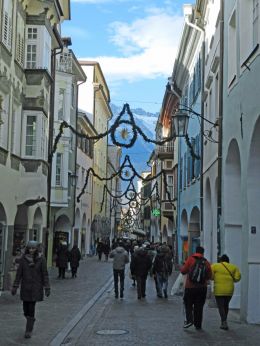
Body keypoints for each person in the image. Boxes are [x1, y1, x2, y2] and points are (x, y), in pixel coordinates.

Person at [11, 240, 50, 339]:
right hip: (26, 287)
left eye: (33, 248)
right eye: (30, 248)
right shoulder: (23, 259)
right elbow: (19, 274)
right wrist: (15, 286)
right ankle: (30, 320)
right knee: (25, 310)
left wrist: (47, 287)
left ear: (37, 249)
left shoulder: (41, 259)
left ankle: (28, 330)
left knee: (31, 308)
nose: (31, 250)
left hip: (36, 287)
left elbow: (45, 274)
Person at [180, 245, 212, 330]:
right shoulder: (206, 262)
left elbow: (183, 271)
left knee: (188, 304)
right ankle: (198, 325)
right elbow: (209, 276)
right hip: (202, 288)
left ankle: (190, 320)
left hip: (190, 287)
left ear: (196, 251)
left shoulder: (190, 259)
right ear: (203, 253)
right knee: (199, 306)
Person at [211, 254, 241, 330]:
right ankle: (224, 321)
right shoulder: (234, 267)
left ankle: (224, 322)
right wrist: (232, 280)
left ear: (220, 260)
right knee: (226, 305)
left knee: (221, 306)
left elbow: (210, 276)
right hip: (229, 289)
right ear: (228, 260)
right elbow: (238, 278)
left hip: (219, 289)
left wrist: (216, 278)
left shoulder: (215, 266)